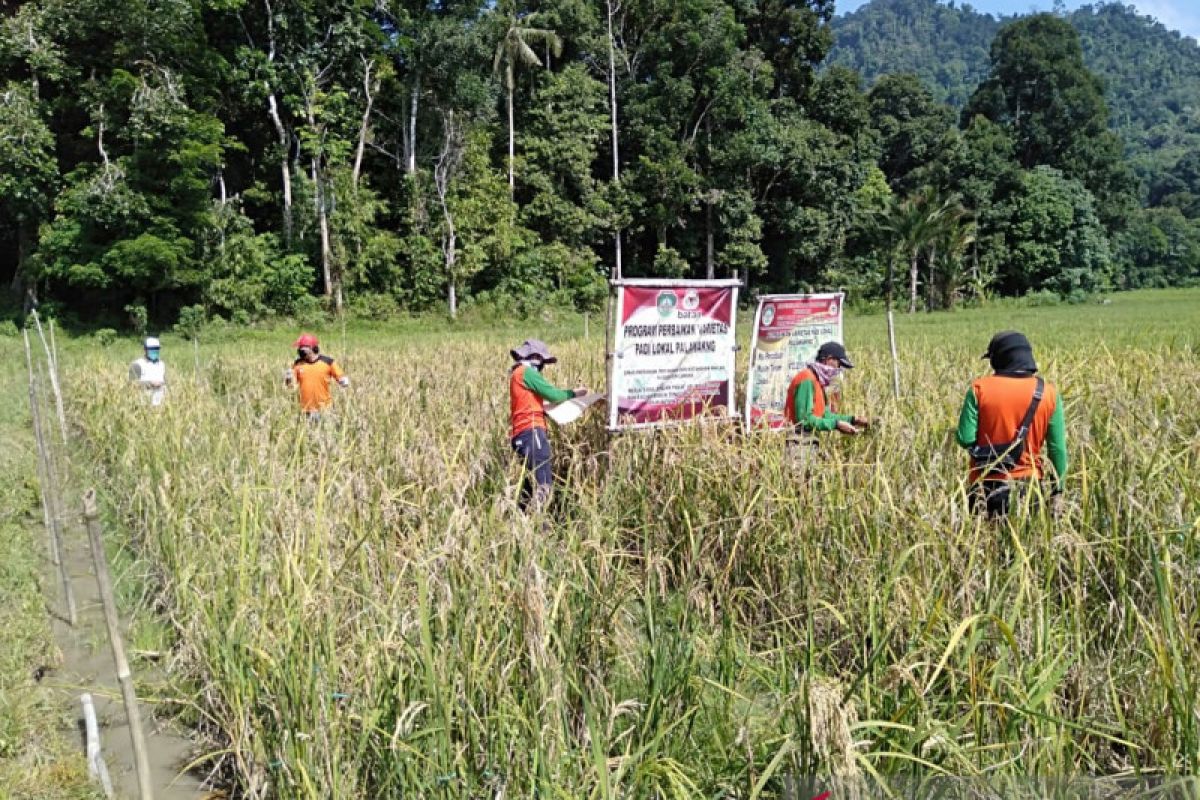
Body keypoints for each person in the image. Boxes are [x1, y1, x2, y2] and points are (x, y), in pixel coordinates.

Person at [956, 331, 1067, 519]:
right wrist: (1059, 490)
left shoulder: (979, 389)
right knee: (1027, 545)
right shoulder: (1048, 393)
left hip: (986, 486)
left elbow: (965, 438)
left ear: (998, 359)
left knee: (986, 544)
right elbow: (1057, 449)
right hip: (1029, 485)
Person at [509, 339, 587, 511]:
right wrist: (576, 393)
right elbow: (553, 395)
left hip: (522, 434)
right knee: (544, 487)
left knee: (529, 488)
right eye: (542, 360)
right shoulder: (526, 373)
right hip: (532, 432)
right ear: (535, 357)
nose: (543, 365)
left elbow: (542, 404)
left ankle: (520, 526)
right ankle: (540, 531)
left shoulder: (517, 375)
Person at [784, 341, 870, 437]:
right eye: (839, 364)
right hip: (798, 442)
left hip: (808, 441)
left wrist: (853, 420)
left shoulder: (818, 382)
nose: (838, 369)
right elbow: (804, 420)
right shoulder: (807, 379)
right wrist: (836, 425)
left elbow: (825, 415)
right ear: (829, 360)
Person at [284, 333, 349, 418]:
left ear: (311, 348)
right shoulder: (298, 364)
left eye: (301, 348)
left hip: (325, 409)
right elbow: (290, 386)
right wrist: (288, 378)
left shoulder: (328, 362)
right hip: (305, 410)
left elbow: (341, 378)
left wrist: (343, 381)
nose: (299, 350)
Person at [129, 336, 166, 406]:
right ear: (145, 349)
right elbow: (131, 384)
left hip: (160, 404)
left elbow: (165, 382)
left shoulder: (162, 364)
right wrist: (149, 383)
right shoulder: (137, 364)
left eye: (156, 349)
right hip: (143, 404)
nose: (154, 351)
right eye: (151, 349)